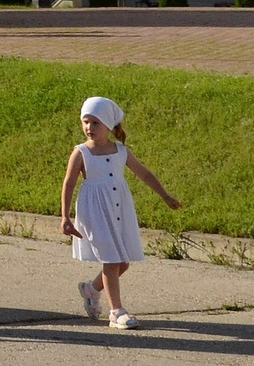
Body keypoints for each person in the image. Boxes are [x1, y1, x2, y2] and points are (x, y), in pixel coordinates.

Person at [62, 96, 181, 330]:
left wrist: (165, 196)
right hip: (94, 211)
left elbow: (144, 174)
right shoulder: (81, 153)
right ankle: (117, 312)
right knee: (111, 260)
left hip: (119, 208)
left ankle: (91, 289)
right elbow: (68, 183)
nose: (89, 127)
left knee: (123, 263)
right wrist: (65, 216)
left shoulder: (120, 151)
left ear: (108, 125)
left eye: (95, 123)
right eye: (86, 122)